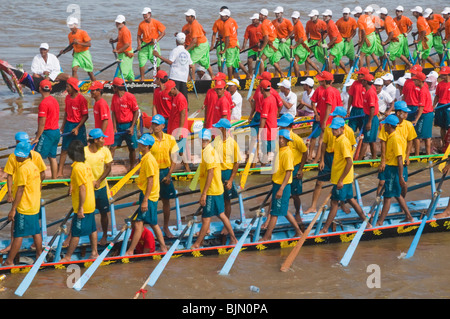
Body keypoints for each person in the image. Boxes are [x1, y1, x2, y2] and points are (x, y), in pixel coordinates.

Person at [319, 117, 368, 234]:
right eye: (332, 129)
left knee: (334, 203)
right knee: (350, 199)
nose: (333, 131)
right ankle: (366, 222)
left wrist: (340, 180)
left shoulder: (343, 141)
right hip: (341, 178)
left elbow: (349, 161)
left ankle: (325, 228)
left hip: (342, 179)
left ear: (342, 129)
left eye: (335, 129)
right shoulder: (338, 140)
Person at [191, 129, 238, 249]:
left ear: (202, 140)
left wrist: (204, 194)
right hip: (216, 189)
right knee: (221, 214)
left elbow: (210, 173)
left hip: (212, 191)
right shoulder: (208, 150)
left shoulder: (207, 152)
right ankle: (233, 238)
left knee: (206, 218)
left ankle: (197, 244)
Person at [304, 107, 355, 215]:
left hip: (341, 158)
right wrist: (321, 160)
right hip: (328, 157)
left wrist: (348, 161)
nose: (332, 118)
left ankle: (342, 205)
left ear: (341, 117)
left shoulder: (349, 131)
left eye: (335, 116)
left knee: (340, 183)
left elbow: (351, 147)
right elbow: (324, 144)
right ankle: (313, 206)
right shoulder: (328, 128)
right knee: (319, 182)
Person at [1, 133, 46, 255]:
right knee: (34, 228)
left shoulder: (29, 162)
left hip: (23, 201)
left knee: (19, 230)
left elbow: (42, 175)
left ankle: (10, 260)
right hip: (28, 199)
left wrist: (13, 208)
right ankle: (38, 254)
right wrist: (9, 193)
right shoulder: (17, 159)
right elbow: (10, 175)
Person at [125, 133, 167, 255]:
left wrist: (145, 200)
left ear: (146, 146)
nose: (139, 145)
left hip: (149, 196)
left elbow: (150, 180)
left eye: (141, 144)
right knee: (153, 223)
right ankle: (163, 247)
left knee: (138, 223)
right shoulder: (146, 158)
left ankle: (130, 251)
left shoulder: (149, 160)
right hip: (149, 195)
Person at [60, 140, 98, 262]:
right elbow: (90, 182)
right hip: (91, 202)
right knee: (92, 228)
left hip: (84, 205)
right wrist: (72, 185)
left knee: (76, 232)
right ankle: (94, 252)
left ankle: (67, 257)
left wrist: (81, 207)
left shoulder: (77, 168)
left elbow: (82, 188)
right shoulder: (85, 164)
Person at [260, 129, 303, 241]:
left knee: (275, 212)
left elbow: (289, 172)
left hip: (282, 186)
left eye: (283, 138)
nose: (280, 140)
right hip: (277, 184)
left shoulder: (287, 153)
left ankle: (267, 236)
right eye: (279, 138)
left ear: (287, 140)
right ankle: (298, 231)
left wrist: (281, 189)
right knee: (283, 210)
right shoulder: (279, 151)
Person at [375, 115, 414, 226]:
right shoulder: (392, 136)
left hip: (393, 169)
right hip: (390, 168)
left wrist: (400, 176)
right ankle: (409, 216)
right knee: (397, 194)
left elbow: (400, 159)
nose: (383, 127)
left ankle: (380, 222)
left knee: (387, 196)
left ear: (388, 125)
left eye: (385, 125)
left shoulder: (395, 138)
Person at [377, 101, 416, 201]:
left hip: (400, 160)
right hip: (389, 160)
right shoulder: (388, 124)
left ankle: (401, 202)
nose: (407, 114)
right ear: (398, 113)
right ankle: (378, 205)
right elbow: (383, 143)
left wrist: (407, 157)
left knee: (403, 183)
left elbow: (410, 141)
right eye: (405, 112)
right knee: (382, 182)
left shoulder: (408, 125)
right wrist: (383, 161)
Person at [150, 114, 180, 238]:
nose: (155, 127)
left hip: (165, 172)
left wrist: (169, 175)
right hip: (153, 173)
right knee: (152, 202)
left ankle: (166, 227)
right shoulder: (149, 140)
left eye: (157, 125)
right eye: (153, 124)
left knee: (166, 202)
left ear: (163, 126)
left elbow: (174, 158)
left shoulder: (170, 139)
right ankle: (154, 226)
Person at [277, 114, 308, 224]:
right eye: (280, 126)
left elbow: (305, 153)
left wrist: (300, 169)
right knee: (276, 192)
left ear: (290, 126)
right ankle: (271, 215)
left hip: (294, 168)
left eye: (283, 126)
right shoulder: (279, 137)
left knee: (295, 195)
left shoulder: (296, 139)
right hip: (282, 168)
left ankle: (298, 212)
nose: (281, 128)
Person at [84, 129, 113, 246]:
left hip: (101, 188)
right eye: (102, 139)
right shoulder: (84, 152)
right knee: (83, 212)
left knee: (104, 213)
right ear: (95, 140)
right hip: (88, 188)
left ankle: (105, 235)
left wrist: (99, 181)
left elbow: (108, 168)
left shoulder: (105, 151)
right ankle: (74, 236)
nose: (104, 141)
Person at [212, 119, 241, 232]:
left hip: (227, 173)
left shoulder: (232, 143)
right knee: (216, 198)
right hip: (217, 172)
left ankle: (226, 225)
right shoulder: (216, 140)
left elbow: (237, 162)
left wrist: (230, 180)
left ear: (223, 129)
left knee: (227, 200)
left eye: (218, 127)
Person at [57, 77, 89, 177]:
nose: (66, 88)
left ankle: (85, 168)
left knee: (82, 148)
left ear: (73, 87)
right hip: (68, 125)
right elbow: (66, 113)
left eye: (68, 86)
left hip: (79, 126)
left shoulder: (82, 99)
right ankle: (60, 172)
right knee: (64, 149)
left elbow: (85, 116)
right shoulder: (67, 98)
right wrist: (62, 127)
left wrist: (77, 128)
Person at [31, 80, 60, 179]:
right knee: (52, 157)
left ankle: (38, 180)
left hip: (47, 133)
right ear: (50, 89)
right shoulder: (54, 100)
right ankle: (55, 179)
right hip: (56, 131)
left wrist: (37, 137)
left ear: (40, 89)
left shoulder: (43, 103)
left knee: (37, 157)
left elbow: (42, 123)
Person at [153, 32, 194, 101]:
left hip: (174, 78)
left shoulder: (175, 51)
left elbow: (170, 62)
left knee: (173, 98)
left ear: (176, 41)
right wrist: (189, 76)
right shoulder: (187, 53)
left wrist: (158, 56)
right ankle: (186, 110)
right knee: (183, 99)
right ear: (184, 42)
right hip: (183, 79)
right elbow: (191, 65)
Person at [110, 77, 139, 170]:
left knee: (132, 148)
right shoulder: (114, 97)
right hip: (118, 125)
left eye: (113, 87)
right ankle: (108, 167)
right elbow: (113, 112)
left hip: (129, 125)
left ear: (116, 88)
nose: (112, 89)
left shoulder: (130, 97)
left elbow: (136, 112)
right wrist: (114, 127)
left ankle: (132, 167)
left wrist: (132, 127)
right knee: (112, 147)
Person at [165, 80, 190, 172]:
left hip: (179, 130)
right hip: (173, 127)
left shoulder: (181, 98)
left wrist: (179, 131)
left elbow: (183, 114)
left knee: (180, 150)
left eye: (169, 91)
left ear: (174, 88)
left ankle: (187, 169)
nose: (169, 93)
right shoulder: (175, 97)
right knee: (176, 150)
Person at [217, 9, 249, 79]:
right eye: (221, 15)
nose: (221, 17)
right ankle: (248, 74)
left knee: (229, 64)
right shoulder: (232, 20)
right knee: (236, 61)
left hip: (230, 46)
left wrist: (224, 50)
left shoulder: (226, 25)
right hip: (235, 43)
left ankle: (230, 79)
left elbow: (227, 38)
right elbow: (236, 31)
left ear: (227, 16)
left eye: (223, 16)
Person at [183, 9, 214, 79]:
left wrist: (186, 49)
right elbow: (189, 31)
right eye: (186, 16)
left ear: (193, 17)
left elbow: (194, 41)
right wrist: (181, 34)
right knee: (204, 62)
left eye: (188, 16)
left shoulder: (195, 25)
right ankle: (212, 76)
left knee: (190, 61)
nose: (186, 18)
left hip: (201, 45)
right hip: (202, 44)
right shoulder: (190, 24)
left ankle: (192, 79)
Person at [137, 7, 166, 80]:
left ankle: (160, 79)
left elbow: (163, 33)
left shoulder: (156, 22)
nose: (144, 16)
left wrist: (156, 40)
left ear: (150, 14)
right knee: (141, 62)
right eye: (143, 15)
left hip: (154, 45)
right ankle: (142, 79)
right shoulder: (141, 24)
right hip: (144, 45)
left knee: (157, 63)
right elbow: (138, 36)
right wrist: (139, 45)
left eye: (145, 14)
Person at [290, 11, 320, 76]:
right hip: (303, 44)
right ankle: (319, 72)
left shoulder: (298, 25)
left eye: (295, 18)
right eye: (293, 18)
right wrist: (293, 36)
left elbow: (300, 39)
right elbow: (296, 33)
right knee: (308, 60)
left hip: (302, 45)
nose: (293, 20)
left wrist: (294, 46)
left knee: (295, 61)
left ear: (298, 18)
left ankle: (298, 77)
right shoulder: (296, 24)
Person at [411, 72, 434, 156]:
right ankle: (428, 156)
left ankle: (417, 156)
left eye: (415, 80)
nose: (414, 82)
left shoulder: (422, 91)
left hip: (424, 115)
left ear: (420, 81)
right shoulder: (425, 87)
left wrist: (416, 119)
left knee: (417, 136)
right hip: (429, 114)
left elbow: (421, 107)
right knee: (427, 137)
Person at [358, 73, 379, 160]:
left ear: (366, 82)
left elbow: (372, 108)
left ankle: (358, 160)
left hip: (372, 118)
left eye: (363, 80)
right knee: (371, 141)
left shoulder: (370, 93)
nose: (361, 82)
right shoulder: (368, 91)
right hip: (368, 117)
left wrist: (369, 122)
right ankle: (374, 158)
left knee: (366, 141)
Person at [257, 8, 284, 77]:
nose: (259, 16)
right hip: (274, 42)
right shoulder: (268, 21)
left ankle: (261, 77)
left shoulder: (263, 24)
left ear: (265, 17)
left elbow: (266, 37)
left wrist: (262, 48)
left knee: (261, 60)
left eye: (261, 15)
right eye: (259, 14)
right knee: (274, 61)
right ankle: (282, 74)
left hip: (271, 43)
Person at [357, 6, 382, 70]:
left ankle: (361, 71)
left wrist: (361, 43)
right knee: (372, 54)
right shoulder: (371, 18)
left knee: (361, 55)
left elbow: (364, 32)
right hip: (373, 37)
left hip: (368, 37)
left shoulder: (361, 19)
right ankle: (380, 69)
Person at [110, 15, 134, 81]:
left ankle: (119, 85)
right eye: (117, 23)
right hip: (123, 53)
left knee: (122, 72)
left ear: (123, 23)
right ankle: (131, 83)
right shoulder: (120, 29)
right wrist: (114, 41)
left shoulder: (125, 31)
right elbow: (120, 38)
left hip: (126, 54)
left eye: (119, 23)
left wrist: (117, 51)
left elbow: (127, 44)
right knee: (129, 71)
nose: (117, 24)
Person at [89, 81, 114, 147]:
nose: (91, 92)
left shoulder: (102, 103)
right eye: (91, 90)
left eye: (93, 90)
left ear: (99, 91)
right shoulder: (96, 103)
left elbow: (105, 121)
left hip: (104, 137)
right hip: (99, 135)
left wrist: (101, 136)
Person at [433, 66, 450, 150]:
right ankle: (444, 143)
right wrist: (433, 106)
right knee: (442, 126)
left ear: (448, 75)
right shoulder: (440, 84)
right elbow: (437, 96)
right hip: (441, 106)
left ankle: (448, 144)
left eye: (443, 75)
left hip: (448, 107)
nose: (441, 76)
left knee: (449, 126)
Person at [242, 13, 263, 78]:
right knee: (249, 60)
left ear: (258, 20)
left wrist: (261, 44)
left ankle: (261, 75)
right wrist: (243, 48)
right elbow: (246, 38)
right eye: (252, 20)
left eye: (254, 19)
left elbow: (266, 38)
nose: (253, 21)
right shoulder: (249, 27)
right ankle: (250, 75)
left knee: (260, 61)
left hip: (261, 48)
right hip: (252, 49)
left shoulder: (262, 27)